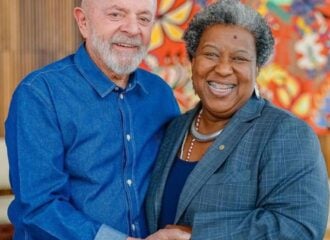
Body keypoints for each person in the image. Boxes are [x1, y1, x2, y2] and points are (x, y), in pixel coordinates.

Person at [4, 0, 192, 240]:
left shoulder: (160, 95)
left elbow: (174, 180)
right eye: (116, 14)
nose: (133, 29)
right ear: (83, 22)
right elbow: (40, 207)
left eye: (144, 18)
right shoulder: (40, 94)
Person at [146, 0, 329, 239]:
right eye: (210, 54)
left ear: (257, 70)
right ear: (192, 61)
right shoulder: (174, 129)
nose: (223, 69)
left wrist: (195, 235)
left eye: (240, 59)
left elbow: (298, 228)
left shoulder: (286, 133)